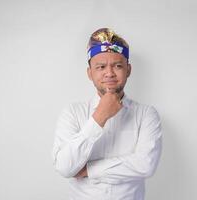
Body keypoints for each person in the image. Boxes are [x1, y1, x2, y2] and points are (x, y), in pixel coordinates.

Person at [52, 28, 162, 200]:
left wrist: (88, 170)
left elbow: (146, 164)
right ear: (90, 73)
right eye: (101, 67)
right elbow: (65, 167)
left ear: (128, 70)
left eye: (118, 66)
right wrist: (99, 118)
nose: (109, 73)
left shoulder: (147, 114)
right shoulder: (72, 113)